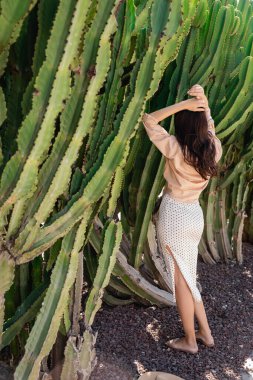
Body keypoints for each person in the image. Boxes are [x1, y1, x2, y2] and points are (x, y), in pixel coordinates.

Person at [142, 84, 222, 354]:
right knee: (190, 276)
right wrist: (202, 101)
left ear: (183, 122)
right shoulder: (214, 147)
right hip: (194, 215)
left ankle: (189, 341)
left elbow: (148, 119)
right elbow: (209, 124)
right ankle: (206, 334)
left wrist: (181, 106)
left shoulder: (175, 148)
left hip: (174, 214)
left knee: (182, 281)